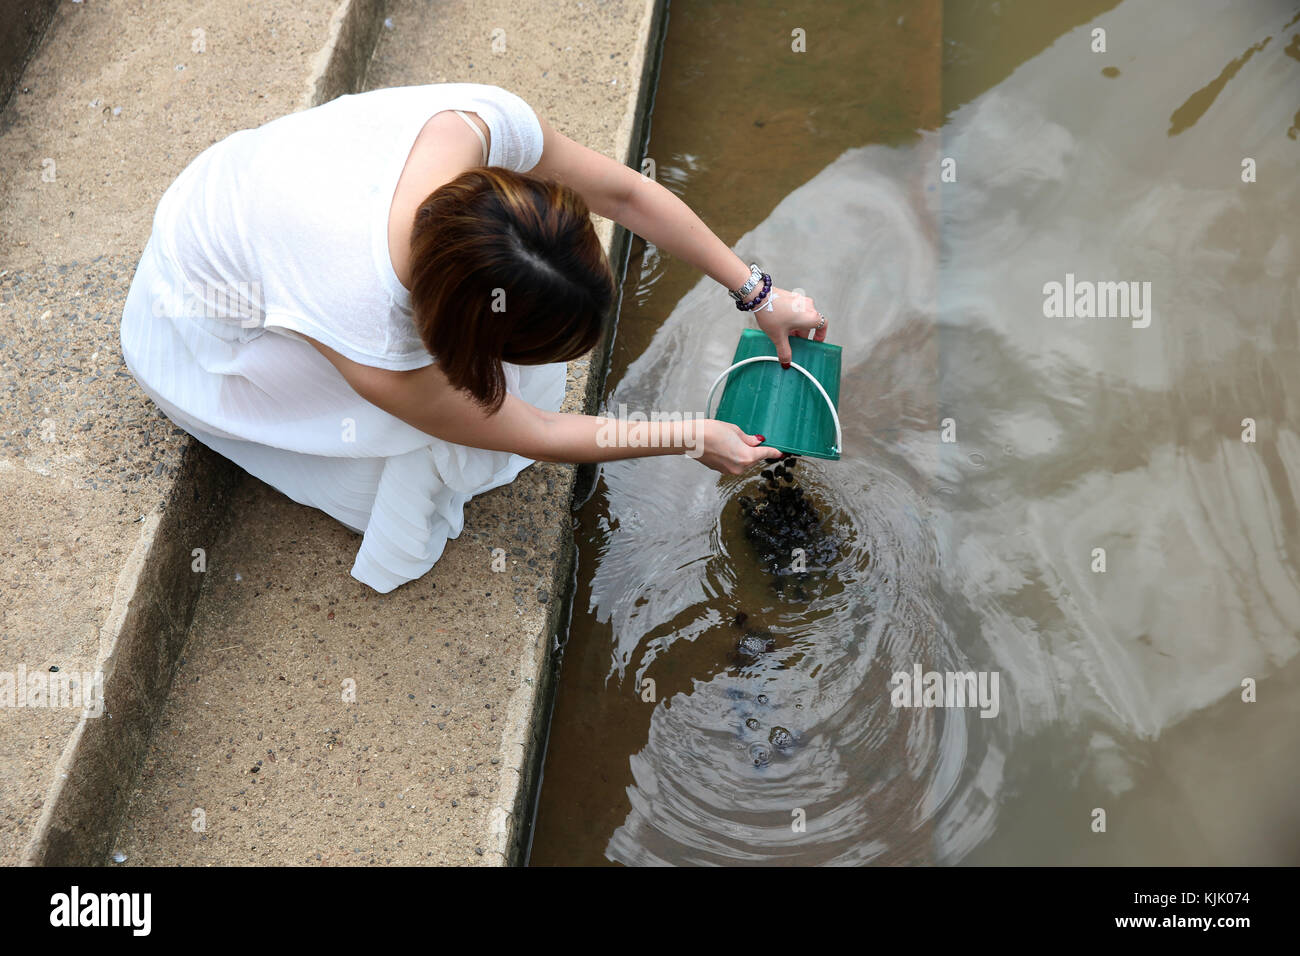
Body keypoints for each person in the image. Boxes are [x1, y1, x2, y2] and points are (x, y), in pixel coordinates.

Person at [119, 82, 829, 593]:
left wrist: (758, 293)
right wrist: (688, 435)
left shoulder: (479, 126)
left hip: (249, 193)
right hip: (201, 306)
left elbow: (625, 195)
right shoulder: (368, 328)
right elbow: (534, 432)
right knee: (422, 470)